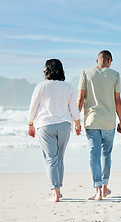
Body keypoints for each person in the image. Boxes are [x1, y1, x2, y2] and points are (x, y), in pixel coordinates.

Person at [28, 59, 81, 202]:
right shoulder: (68, 87)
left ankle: (55, 193)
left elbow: (33, 107)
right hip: (64, 125)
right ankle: (59, 190)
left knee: (50, 159)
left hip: (45, 125)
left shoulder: (41, 86)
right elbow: (73, 109)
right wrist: (77, 124)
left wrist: (30, 123)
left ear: (47, 71)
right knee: (59, 158)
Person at [77, 50, 121, 201]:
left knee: (94, 154)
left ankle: (97, 191)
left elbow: (81, 99)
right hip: (109, 121)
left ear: (97, 60)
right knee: (106, 154)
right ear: (110, 60)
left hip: (91, 121)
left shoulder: (85, 73)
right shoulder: (115, 75)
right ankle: (104, 187)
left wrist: (75, 119)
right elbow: (117, 101)